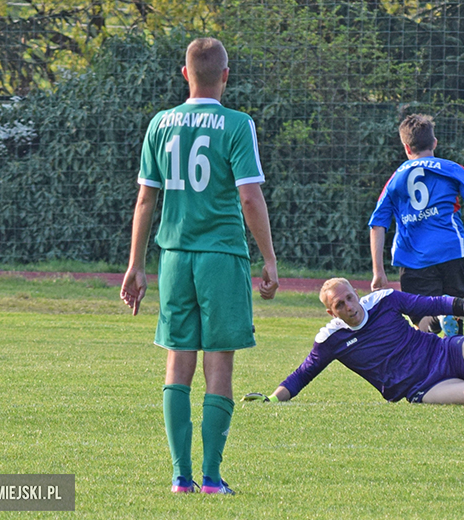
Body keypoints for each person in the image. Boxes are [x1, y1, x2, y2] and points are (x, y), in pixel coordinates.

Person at [120, 37, 279, 496]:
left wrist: (136, 265)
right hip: (222, 256)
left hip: (172, 257)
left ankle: (179, 478)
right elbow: (249, 196)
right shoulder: (237, 124)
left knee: (177, 364)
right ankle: (211, 478)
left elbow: (146, 199)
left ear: (185, 73)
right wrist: (267, 258)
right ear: (225, 76)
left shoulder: (161, 123)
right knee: (220, 367)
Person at [243, 278, 464, 408]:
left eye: (350, 297)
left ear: (355, 292)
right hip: (420, 388)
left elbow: (437, 304)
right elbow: (301, 375)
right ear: (330, 311)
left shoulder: (383, 301)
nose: (349, 306)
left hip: (440, 351)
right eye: (339, 305)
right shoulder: (331, 340)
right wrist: (272, 399)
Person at [369, 114, 464, 337]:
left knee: (421, 323)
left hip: (413, 260)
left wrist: (378, 272)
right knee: (454, 311)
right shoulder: (452, 169)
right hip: (451, 252)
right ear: (434, 143)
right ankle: (451, 332)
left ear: (406, 147)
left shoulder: (395, 179)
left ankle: (431, 327)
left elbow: (377, 225)